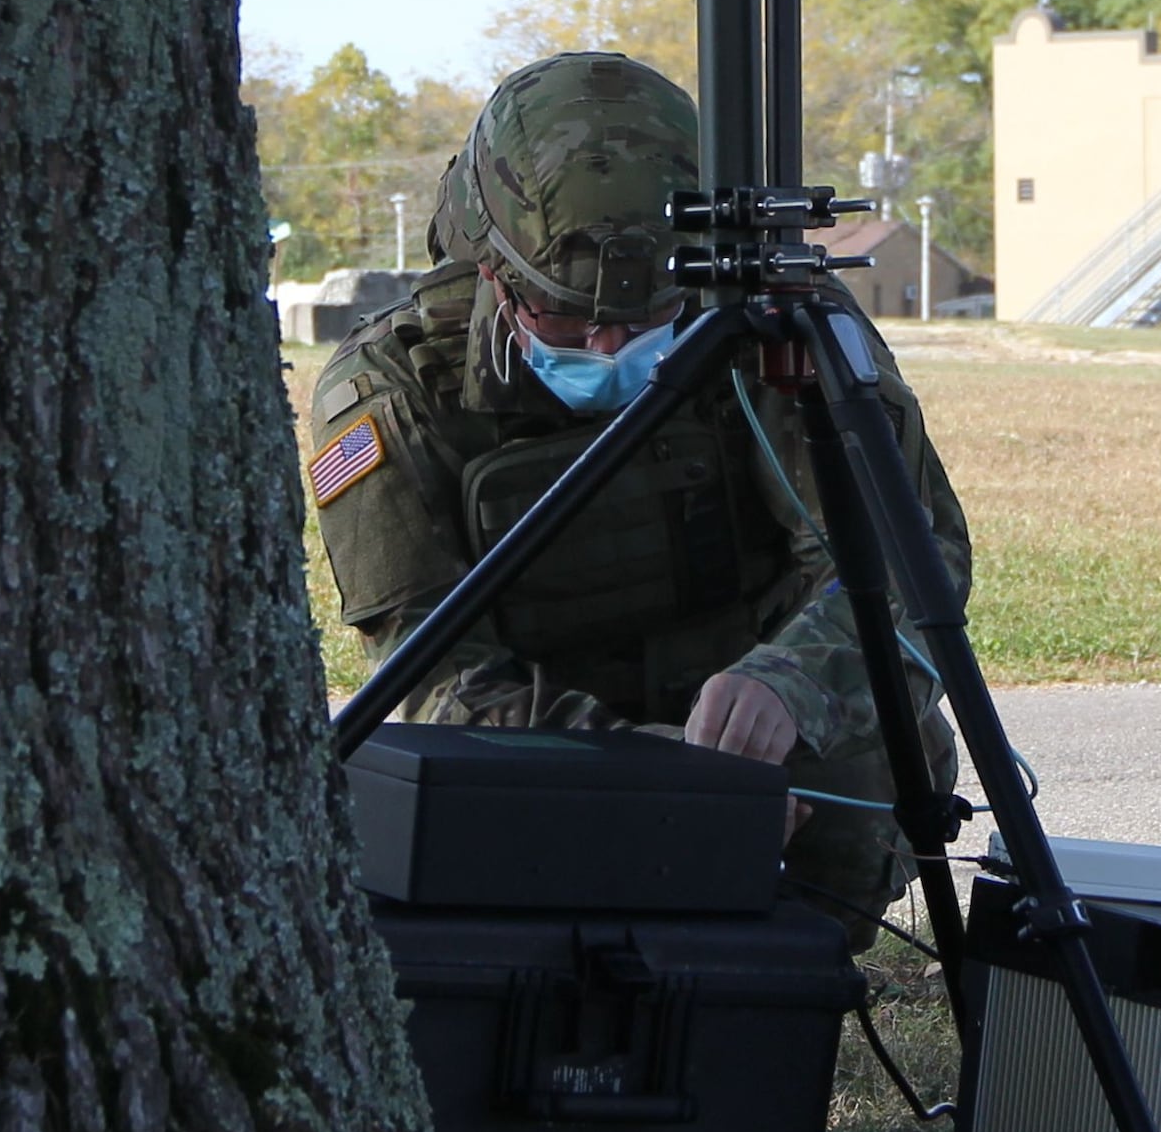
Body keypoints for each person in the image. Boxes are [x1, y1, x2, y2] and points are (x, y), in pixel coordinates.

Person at [305, 52, 972, 926]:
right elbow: (426, 672)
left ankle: (783, 978)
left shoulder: (773, 326)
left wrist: (790, 685)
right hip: (535, 741)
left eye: (649, 312)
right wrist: (644, 776)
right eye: (568, 315)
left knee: (879, 742)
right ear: (495, 275)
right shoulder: (392, 390)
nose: (610, 339)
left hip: (754, 730)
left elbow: (911, 570)